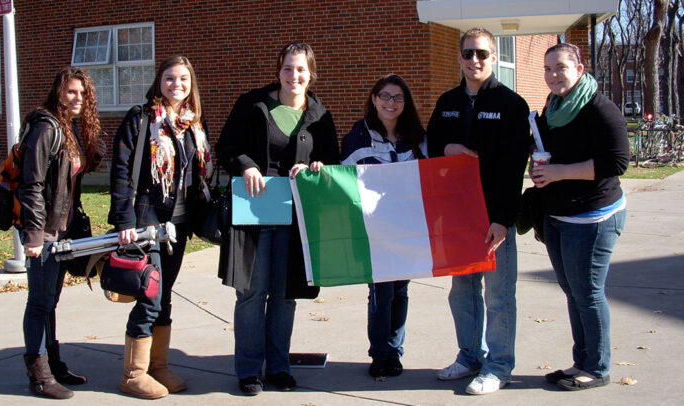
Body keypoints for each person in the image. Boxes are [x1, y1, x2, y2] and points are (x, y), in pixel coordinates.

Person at [216, 41, 340, 396]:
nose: (294, 76)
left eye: (301, 69)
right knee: (252, 294)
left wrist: (317, 167)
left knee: (285, 295)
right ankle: (250, 371)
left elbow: (332, 161)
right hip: (254, 206)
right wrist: (246, 165)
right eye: (288, 68)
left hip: (297, 212)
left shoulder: (320, 114)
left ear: (310, 73)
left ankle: (279, 368)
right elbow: (226, 148)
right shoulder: (252, 105)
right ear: (278, 71)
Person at [425, 28, 530, 395]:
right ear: (458, 57)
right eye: (468, 53)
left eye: (482, 54)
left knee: (498, 294)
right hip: (457, 215)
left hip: (493, 218)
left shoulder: (511, 105)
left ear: (493, 57)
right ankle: (470, 355)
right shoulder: (448, 101)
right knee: (463, 291)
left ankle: (499, 366)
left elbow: (515, 167)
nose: (474, 61)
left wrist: (502, 220)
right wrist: (448, 145)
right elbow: (432, 145)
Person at [109, 56, 212, 399]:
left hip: (178, 225)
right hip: (146, 221)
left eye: (183, 79)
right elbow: (122, 171)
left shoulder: (193, 124)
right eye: (169, 78)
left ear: (191, 84)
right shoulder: (141, 119)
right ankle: (133, 373)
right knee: (149, 296)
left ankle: (158, 366)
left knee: (164, 295)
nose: (176, 85)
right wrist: (124, 220)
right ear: (159, 81)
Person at [533, 43, 629, 391]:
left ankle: (598, 368)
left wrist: (557, 172)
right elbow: (549, 149)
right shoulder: (553, 108)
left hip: (594, 217)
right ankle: (581, 361)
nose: (553, 75)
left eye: (560, 67)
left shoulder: (599, 108)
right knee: (573, 292)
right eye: (547, 68)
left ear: (580, 68)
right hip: (559, 216)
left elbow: (616, 163)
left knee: (587, 293)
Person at [19, 67, 105, 399]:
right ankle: (39, 377)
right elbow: (32, 185)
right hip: (45, 231)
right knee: (39, 302)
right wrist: (34, 235)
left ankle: (53, 366)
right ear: (59, 92)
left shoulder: (69, 128)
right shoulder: (46, 127)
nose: (78, 98)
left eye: (83, 93)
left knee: (50, 301)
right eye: (71, 92)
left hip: (63, 228)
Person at [340, 74, 427, 378]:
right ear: (374, 99)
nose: (391, 103)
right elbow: (346, 186)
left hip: (406, 229)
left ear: (406, 103)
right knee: (381, 293)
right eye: (385, 96)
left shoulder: (416, 139)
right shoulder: (356, 138)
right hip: (374, 232)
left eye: (398, 98)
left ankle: (395, 352)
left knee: (401, 292)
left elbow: (429, 178)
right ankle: (379, 354)